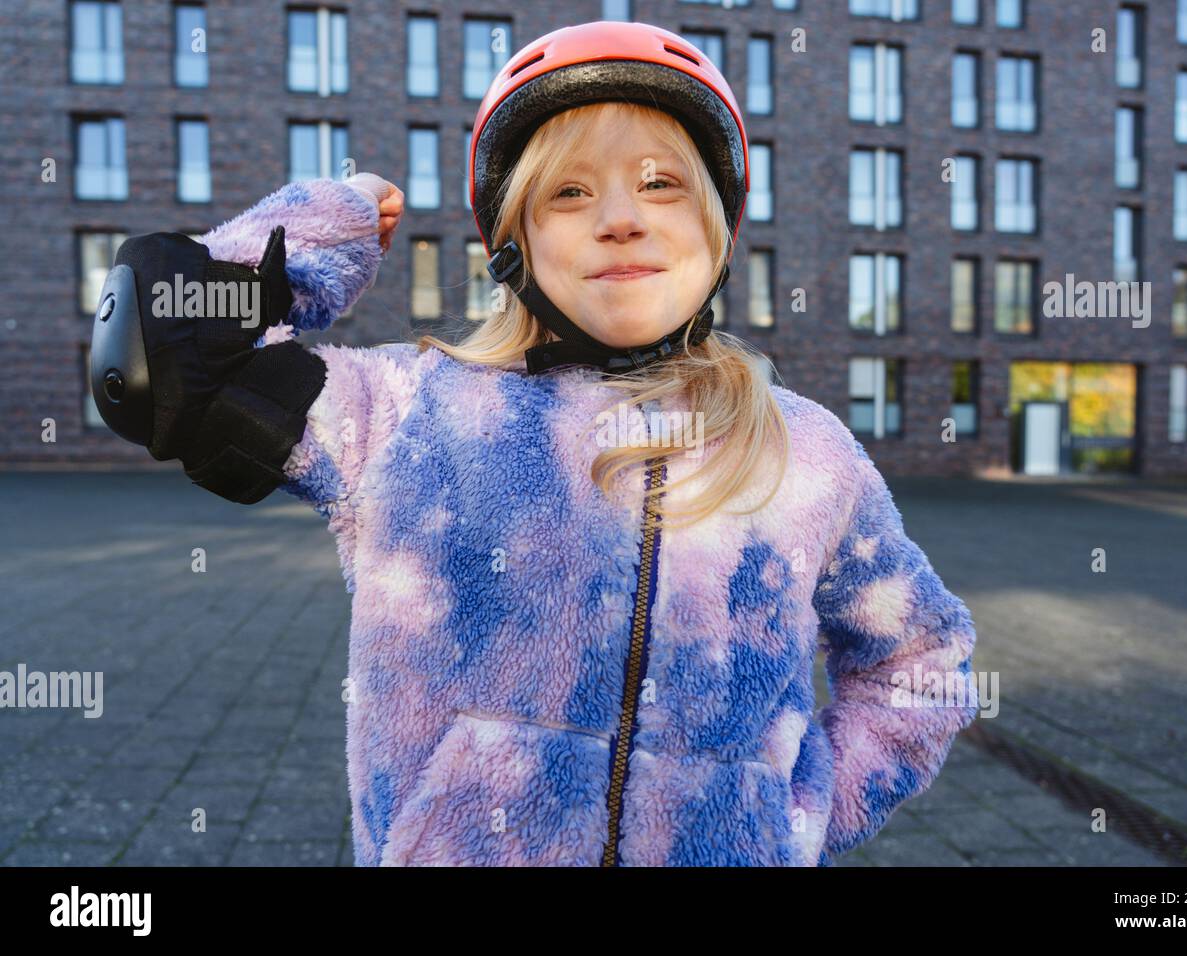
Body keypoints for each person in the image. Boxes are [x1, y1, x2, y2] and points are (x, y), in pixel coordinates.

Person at [89, 21, 979, 866]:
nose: (622, 218)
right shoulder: (405, 414)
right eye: (570, 191)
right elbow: (157, 356)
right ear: (512, 242)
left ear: (719, 225)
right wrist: (334, 221)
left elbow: (922, 662)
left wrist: (796, 817)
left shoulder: (805, 451)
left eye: (661, 182)